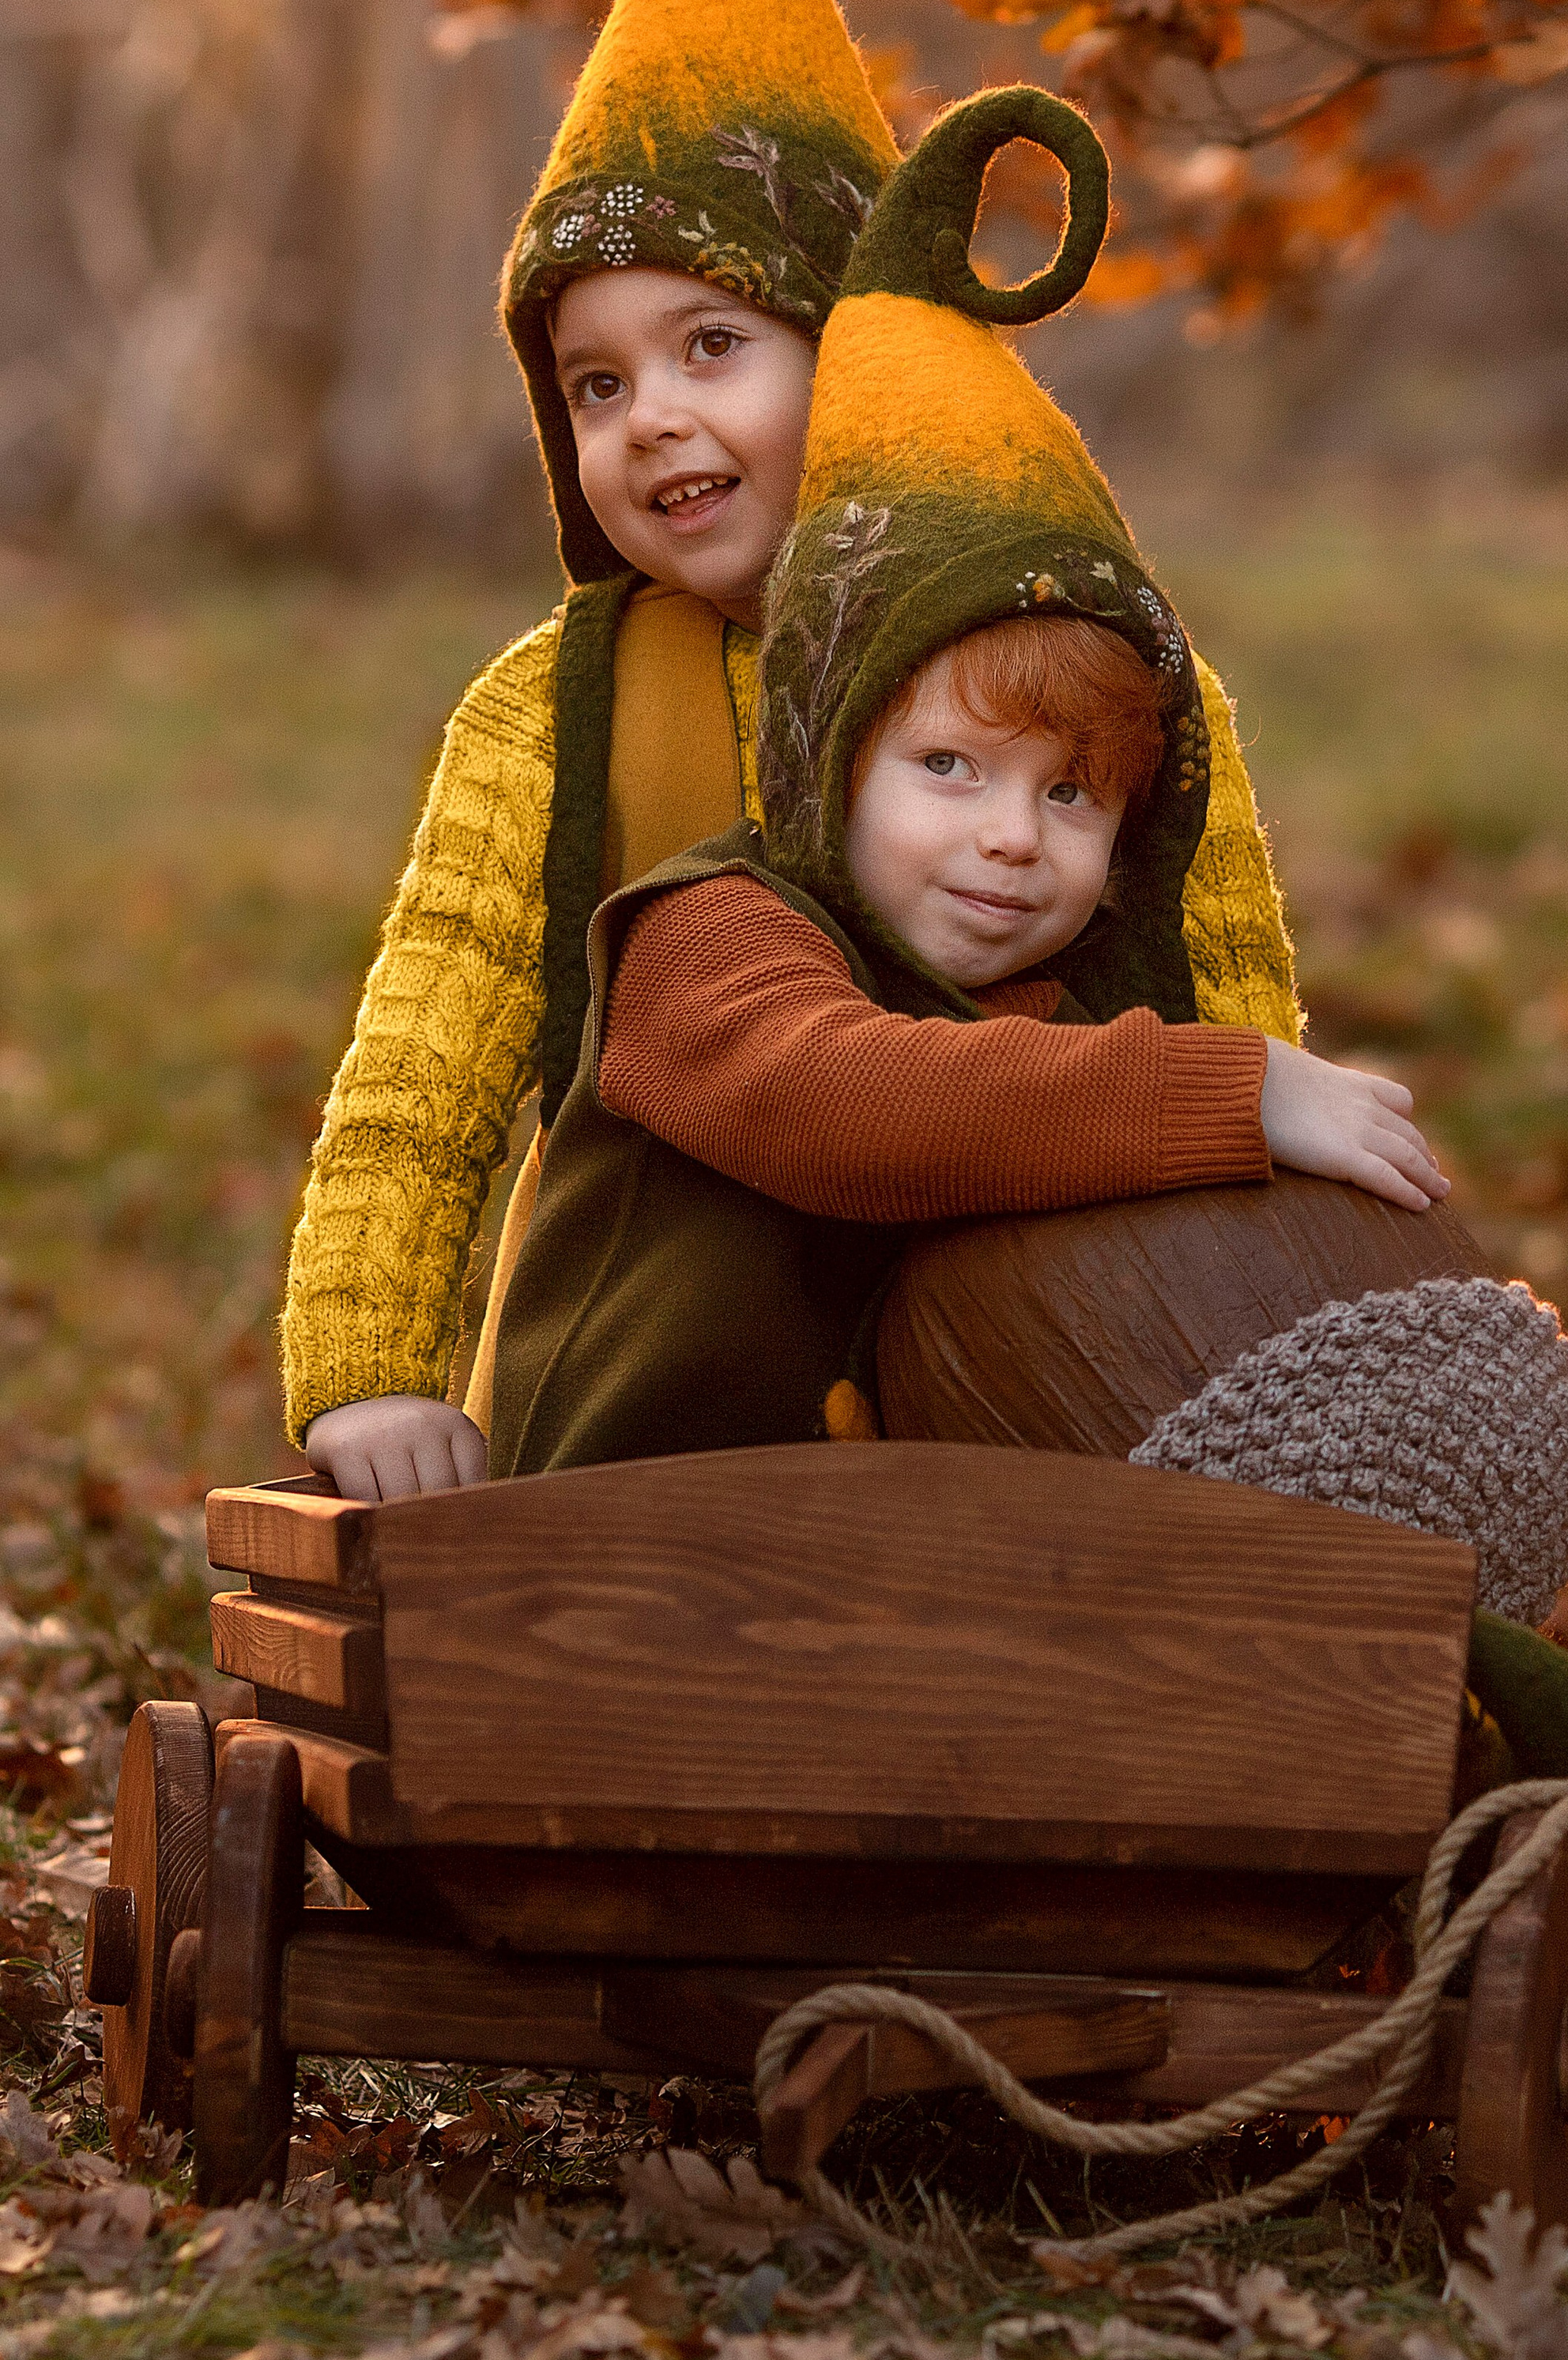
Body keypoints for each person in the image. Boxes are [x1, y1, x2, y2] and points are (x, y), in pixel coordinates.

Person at [281, 0, 1307, 1502]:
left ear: (857, 356)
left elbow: (1232, 1014)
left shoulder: (1084, 674)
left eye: (710, 347)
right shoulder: (563, 709)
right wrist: (371, 1375)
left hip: (1041, 1403)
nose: (651, 416)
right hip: (668, 1439)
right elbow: (422, 1081)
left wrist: (1273, 1305)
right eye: (592, 386)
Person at [485, 86, 1446, 1475]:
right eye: (946, 768)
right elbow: (860, 1108)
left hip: (898, 1521)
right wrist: (1230, 1094)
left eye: (1069, 797)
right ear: (829, 761)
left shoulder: (1041, 999)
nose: (1008, 839)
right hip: (633, 1534)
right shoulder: (708, 941)